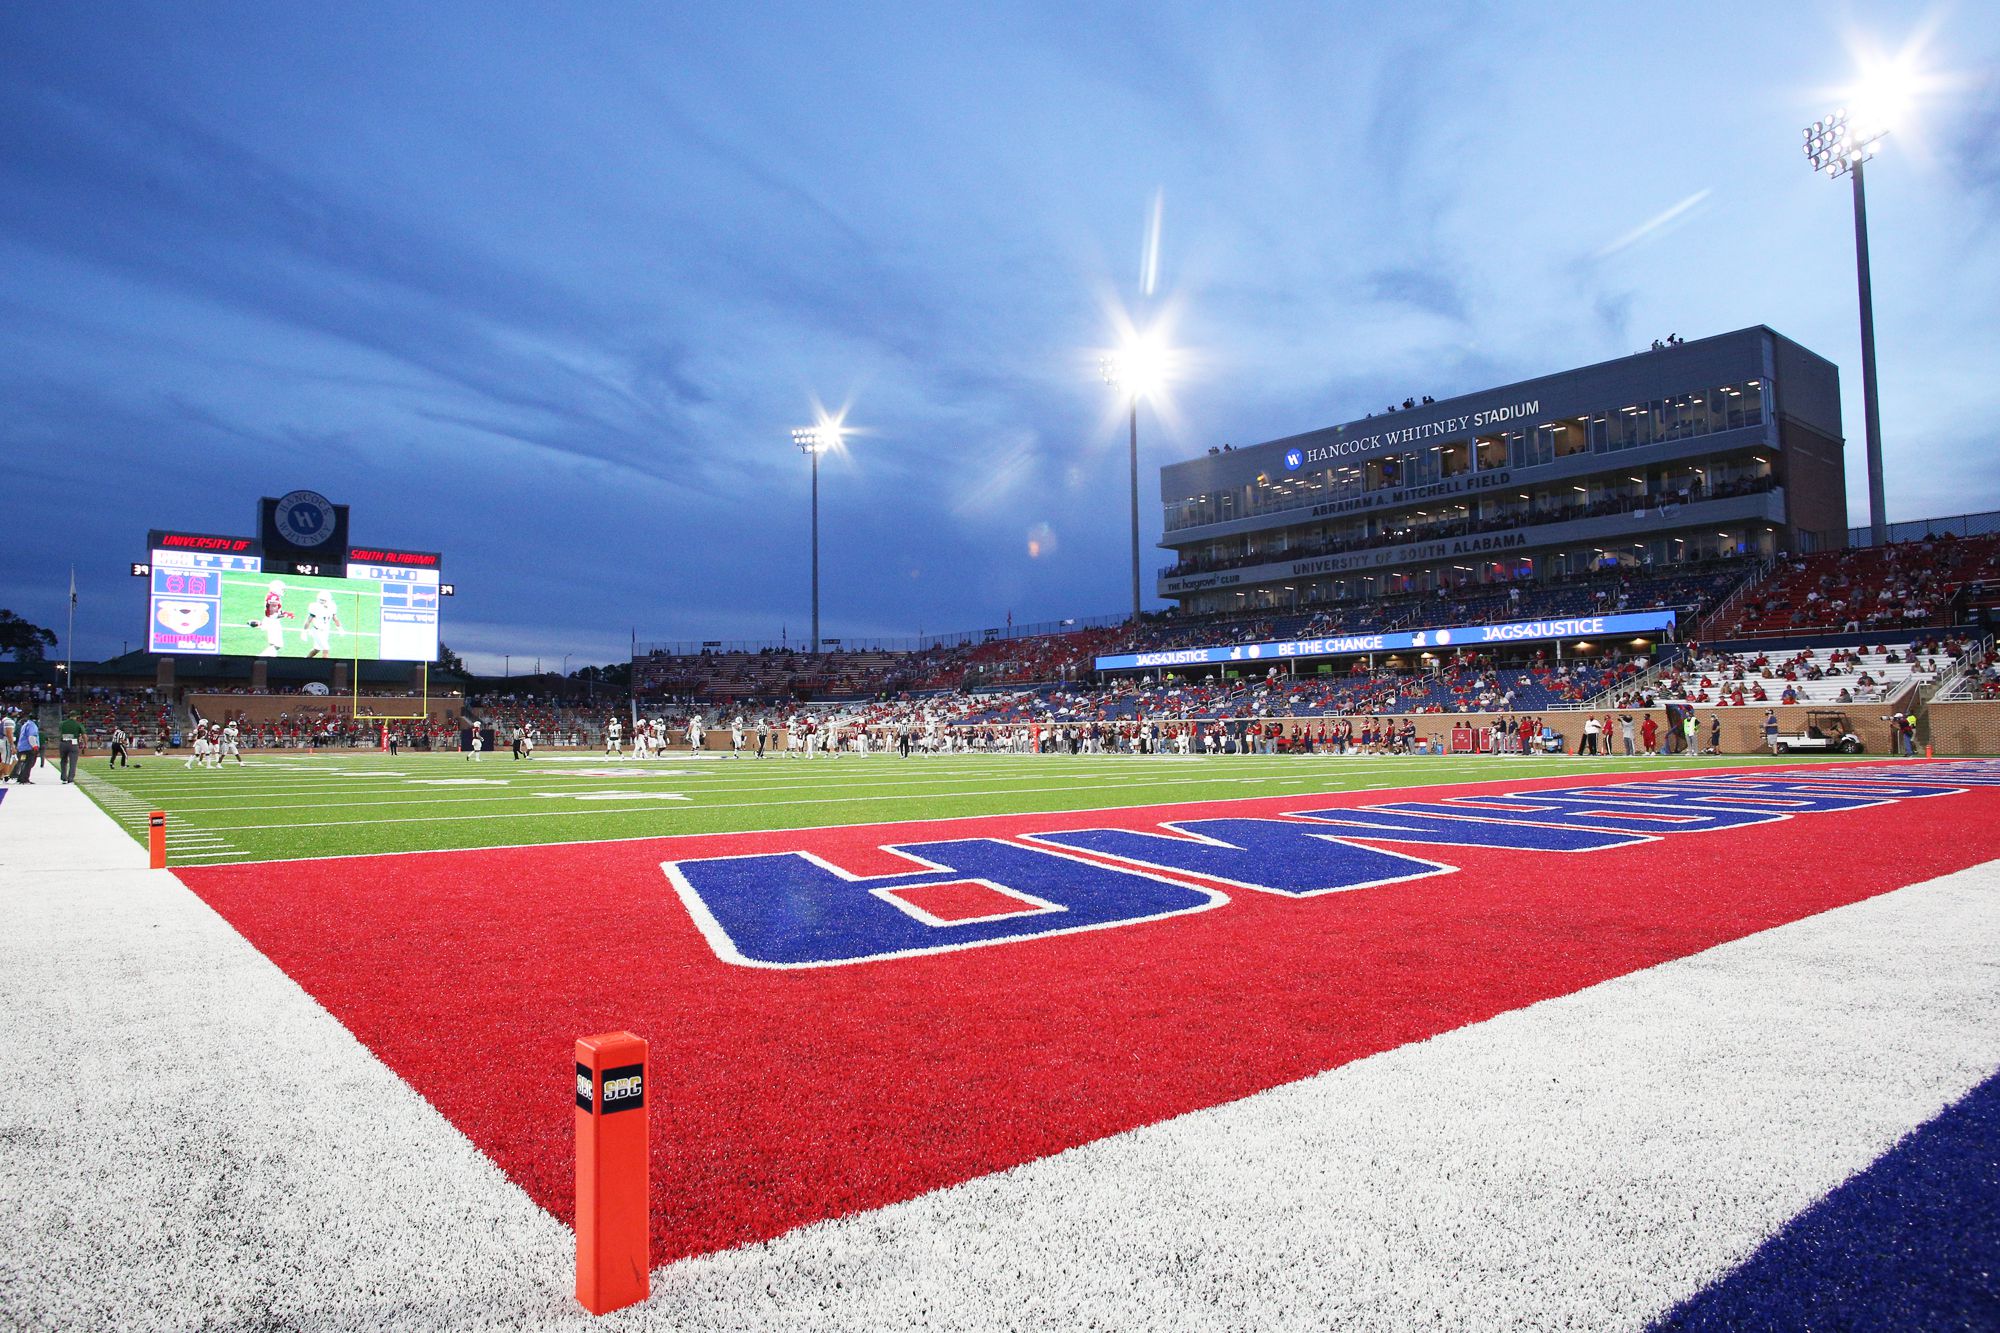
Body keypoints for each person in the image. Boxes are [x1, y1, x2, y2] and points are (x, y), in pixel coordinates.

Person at [58, 714, 84, 783]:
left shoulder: (62, 723)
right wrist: (85, 744)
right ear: (75, 717)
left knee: (63, 761)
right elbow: (84, 735)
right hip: (73, 743)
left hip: (63, 742)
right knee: (73, 762)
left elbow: (60, 731)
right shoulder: (78, 724)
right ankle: (70, 778)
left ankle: (64, 777)